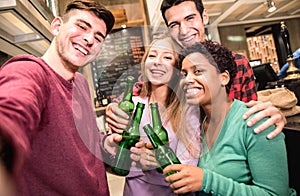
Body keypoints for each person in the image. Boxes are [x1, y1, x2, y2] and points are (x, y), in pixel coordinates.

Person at [106, 0, 286, 140]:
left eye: (190, 18)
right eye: (174, 24)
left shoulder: (236, 63)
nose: (184, 30)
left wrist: (270, 116)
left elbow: (251, 115)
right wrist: (116, 106)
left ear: (204, 17)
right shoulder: (169, 67)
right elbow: (140, 90)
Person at [0, 0, 123, 195]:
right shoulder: (29, 71)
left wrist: (105, 144)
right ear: (57, 26)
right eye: (82, 26)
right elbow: (11, 115)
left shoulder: (81, 83)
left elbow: (83, 142)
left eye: (98, 37)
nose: (90, 39)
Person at [163, 40, 294, 195]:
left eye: (197, 71)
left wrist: (206, 181)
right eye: (184, 74)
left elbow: (275, 194)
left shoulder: (257, 121)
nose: (187, 80)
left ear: (223, 78)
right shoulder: (198, 124)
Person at [117, 34, 199, 196]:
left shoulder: (189, 109)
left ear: (177, 69)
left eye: (167, 57)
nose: (157, 61)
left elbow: (189, 164)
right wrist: (136, 160)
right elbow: (118, 159)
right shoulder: (132, 105)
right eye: (152, 55)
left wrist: (157, 160)